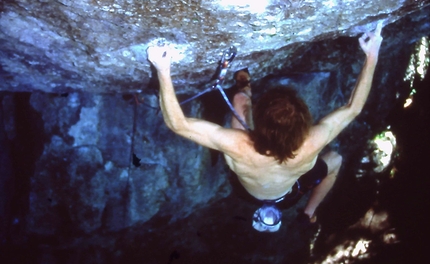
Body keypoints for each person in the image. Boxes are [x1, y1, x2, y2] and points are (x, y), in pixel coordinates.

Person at [147, 22, 384, 232]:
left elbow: (177, 124)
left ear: (258, 120)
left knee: (240, 101)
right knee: (336, 161)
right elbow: (353, 108)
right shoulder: (313, 140)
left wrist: (163, 71)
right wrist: (372, 57)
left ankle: (243, 75)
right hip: (289, 193)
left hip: (249, 189)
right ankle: (309, 212)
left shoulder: (240, 145)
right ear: (303, 125)